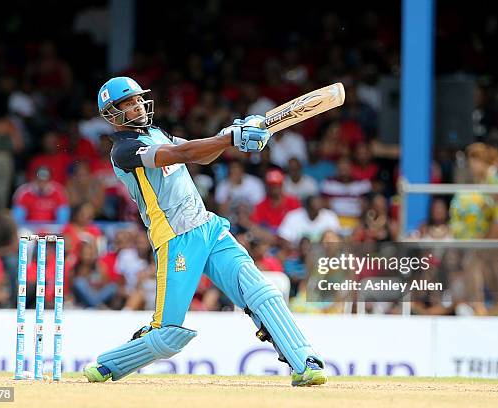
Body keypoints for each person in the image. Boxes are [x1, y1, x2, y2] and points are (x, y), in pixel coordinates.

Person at [83, 76, 326, 386]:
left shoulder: (157, 132)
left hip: (208, 227)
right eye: (128, 103)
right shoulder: (125, 150)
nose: (138, 105)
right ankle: (109, 365)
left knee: (261, 292)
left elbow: (199, 153)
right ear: (113, 113)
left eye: (138, 99)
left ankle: (304, 362)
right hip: (176, 239)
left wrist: (230, 135)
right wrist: (230, 138)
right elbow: (180, 155)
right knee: (168, 335)